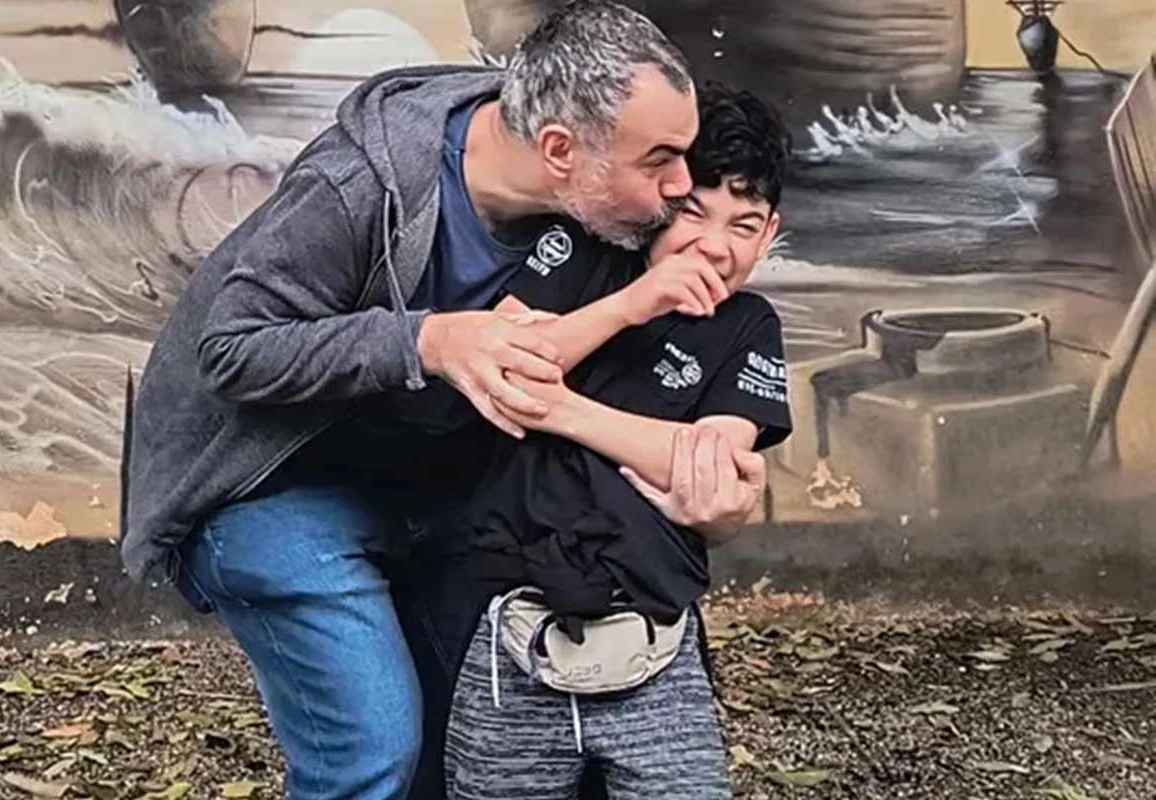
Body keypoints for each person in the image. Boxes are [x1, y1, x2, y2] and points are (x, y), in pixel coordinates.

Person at [119, 2, 766, 798]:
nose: (680, 187)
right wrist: (429, 340)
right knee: (376, 748)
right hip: (268, 482)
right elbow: (231, 348)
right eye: (660, 162)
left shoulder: (597, 207)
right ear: (559, 150)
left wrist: (719, 483)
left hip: (433, 486)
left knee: (467, 745)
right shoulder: (363, 182)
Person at [437, 83, 793, 799]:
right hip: (509, 615)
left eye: (744, 225)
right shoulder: (582, 251)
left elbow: (709, 472)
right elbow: (503, 360)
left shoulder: (750, 326)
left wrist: (560, 409)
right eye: (693, 212)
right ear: (662, 194)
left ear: (770, 233)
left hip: (652, 622)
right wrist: (634, 304)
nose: (714, 246)